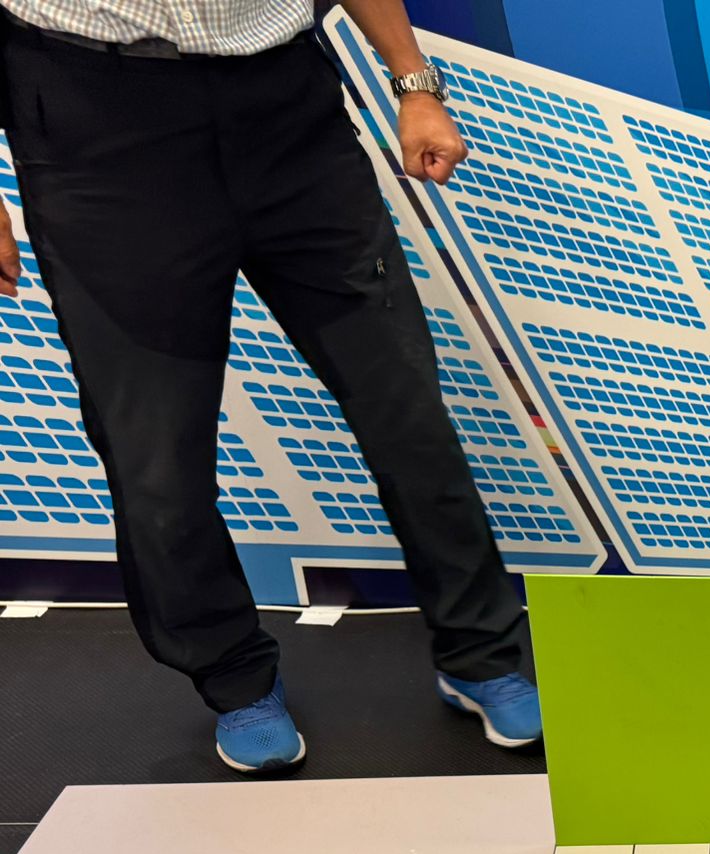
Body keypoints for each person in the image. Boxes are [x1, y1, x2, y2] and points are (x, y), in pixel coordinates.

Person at [0, 0, 542, 771]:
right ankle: (236, 680)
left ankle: (481, 655)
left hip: (287, 110)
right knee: (157, 460)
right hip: (97, 125)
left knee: (407, 412)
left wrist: (414, 82)